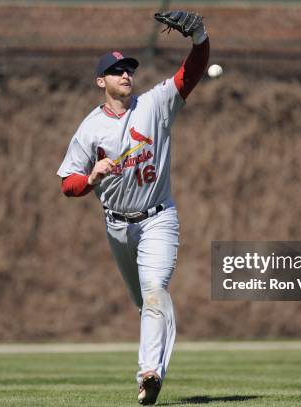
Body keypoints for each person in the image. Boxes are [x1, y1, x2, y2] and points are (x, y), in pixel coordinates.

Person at [57, 11, 209, 405]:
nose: (126, 74)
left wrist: (199, 37)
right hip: (118, 228)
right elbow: (67, 184)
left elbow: (190, 74)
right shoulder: (90, 129)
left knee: (155, 290)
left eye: (128, 69)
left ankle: (149, 374)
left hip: (158, 217)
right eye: (116, 70)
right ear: (100, 81)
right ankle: (154, 354)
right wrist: (91, 178)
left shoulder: (155, 104)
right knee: (145, 302)